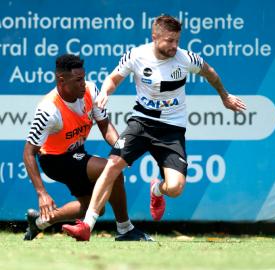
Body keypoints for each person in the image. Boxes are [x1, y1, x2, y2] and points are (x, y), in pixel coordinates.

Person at [62, 14, 246, 241]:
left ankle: (156, 190)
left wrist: (225, 97)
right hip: (141, 124)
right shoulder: (137, 55)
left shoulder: (185, 58)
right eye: (169, 40)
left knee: (176, 188)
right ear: (155, 36)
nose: (174, 46)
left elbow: (210, 73)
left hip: (171, 129)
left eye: (177, 40)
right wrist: (105, 94)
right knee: (112, 165)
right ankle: (86, 226)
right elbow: (112, 79)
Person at [23, 54, 152, 241]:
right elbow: (28, 153)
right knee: (112, 170)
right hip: (55, 161)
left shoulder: (91, 90)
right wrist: (42, 193)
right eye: (78, 80)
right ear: (61, 80)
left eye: (83, 77)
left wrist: (120, 148)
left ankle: (39, 222)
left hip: (76, 154)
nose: (83, 83)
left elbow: (105, 125)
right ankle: (125, 229)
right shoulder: (48, 110)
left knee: (95, 207)